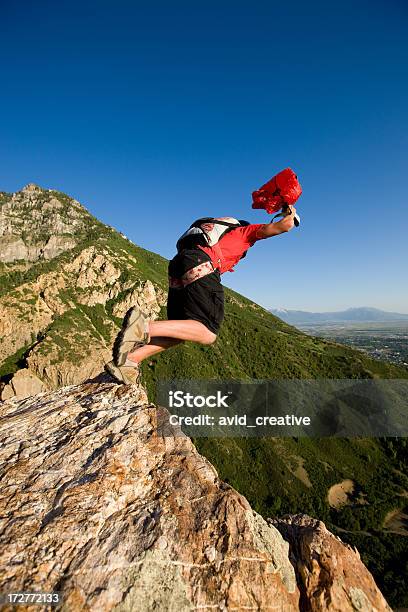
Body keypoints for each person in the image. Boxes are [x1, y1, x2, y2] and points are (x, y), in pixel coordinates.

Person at [105, 208, 298, 384]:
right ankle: (142, 326)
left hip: (179, 266)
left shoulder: (210, 233)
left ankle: (129, 361)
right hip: (201, 264)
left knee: (179, 332)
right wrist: (290, 211)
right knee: (207, 332)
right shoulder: (245, 232)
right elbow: (285, 225)